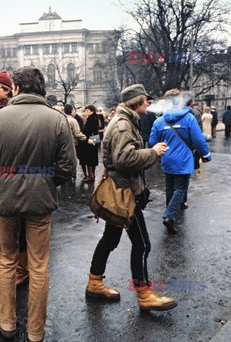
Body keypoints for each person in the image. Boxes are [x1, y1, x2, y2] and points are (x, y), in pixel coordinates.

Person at [0, 66, 76, 341]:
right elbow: (67, 167)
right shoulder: (57, 120)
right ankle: (36, 331)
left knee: (6, 261)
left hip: (6, 202)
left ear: (16, 89)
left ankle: (7, 322)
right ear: (41, 89)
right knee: (39, 265)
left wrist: (0, 186)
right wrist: (44, 181)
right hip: (41, 202)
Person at [85, 84, 177, 312]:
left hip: (119, 190)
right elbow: (125, 159)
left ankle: (94, 283)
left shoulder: (123, 120)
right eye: (146, 100)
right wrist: (153, 152)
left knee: (110, 239)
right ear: (137, 102)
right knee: (142, 244)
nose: (148, 104)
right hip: (125, 193)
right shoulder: (124, 125)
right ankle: (144, 294)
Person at [149, 89, 211, 234]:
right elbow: (198, 140)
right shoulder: (188, 118)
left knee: (170, 186)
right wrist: (206, 155)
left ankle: (170, 210)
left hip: (167, 158)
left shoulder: (159, 120)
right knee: (181, 188)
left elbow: (152, 141)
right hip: (184, 159)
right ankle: (170, 216)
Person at [80, 105, 104, 182]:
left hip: (90, 140)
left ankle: (91, 176)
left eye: (87, 110)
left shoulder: (91, 119)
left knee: (89, 158)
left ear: (92, 111)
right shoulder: (94, 117)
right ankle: (92, 175)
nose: (86, 112)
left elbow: (89, 130)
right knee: (92, 158)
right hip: (94, 139)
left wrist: (86, 137)